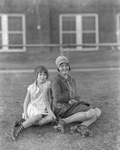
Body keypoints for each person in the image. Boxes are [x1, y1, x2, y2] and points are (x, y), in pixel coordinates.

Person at [51, 56, 101, 134]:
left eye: (66, 65)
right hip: (61, 108)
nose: (64, 68)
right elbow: (57, 98)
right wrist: (70, 99)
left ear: (69, 66)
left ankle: (81, 127)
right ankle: (64, 121)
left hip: (71, 105)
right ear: (58, 68)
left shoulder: (72, 79)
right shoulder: (56, 80)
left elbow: (76, 95)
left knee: (98, 111)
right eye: (61, 66)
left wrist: (75, 100)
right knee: (91, 112)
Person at [11, 65, 56, 141]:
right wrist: (25, 113)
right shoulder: (31, 87)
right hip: (33, 108)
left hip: (43, 109)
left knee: (50, 118)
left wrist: (51, 112)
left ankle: (25, 122)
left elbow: (48, 100)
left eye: (44, 75)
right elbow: (26, 102)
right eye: (40, 74)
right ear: (37, 75)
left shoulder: (48, 85)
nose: (42, 77)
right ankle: (17, 129)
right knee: (38, 116)